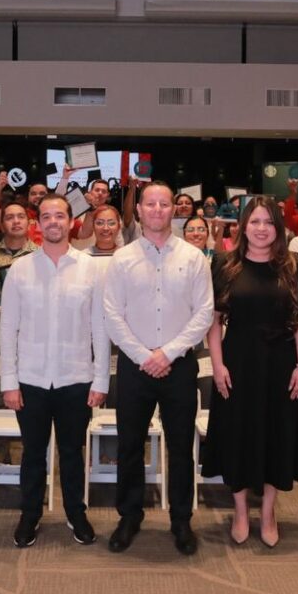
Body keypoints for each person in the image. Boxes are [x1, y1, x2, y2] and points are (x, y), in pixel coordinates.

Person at [103, 181, 214, 556]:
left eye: (164, 204)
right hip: (134, 366)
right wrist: (143, 356)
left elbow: (204, 313)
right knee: (130, 445)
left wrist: (167, 353)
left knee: (181, 447)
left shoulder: (193, 257)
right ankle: (129, 516)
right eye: (149, 204)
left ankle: (181, 520)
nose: (156, 210)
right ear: (139, 210)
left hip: (178, 366)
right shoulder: (122, 258)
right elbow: (112, 315)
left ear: (174, 210)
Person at [0, 194, 109, 548]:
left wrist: (101, 379)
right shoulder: (21, 269)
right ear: (38, 223)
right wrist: (9, 382)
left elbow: (100, 328)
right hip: (30, 379)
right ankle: (29, 515)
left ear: (70, 221)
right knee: (32, 453)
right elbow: (8, 328)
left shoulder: (91, 268)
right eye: (46, 216)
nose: (53, 222)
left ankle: (76, 514)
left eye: (59, 215)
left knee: (72, 453)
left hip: (76, 379)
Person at [204, 197, 298, 549]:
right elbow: (214, 321)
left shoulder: (295, 265)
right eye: (255, 222)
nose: (262, 229)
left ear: (278, 228)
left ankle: (268, 512)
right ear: (242, 227)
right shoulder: (224, 264)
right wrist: (217, 365)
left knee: (276, 434)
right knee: (237, 434)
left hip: (281, 362)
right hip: (237, 362)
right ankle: (240, 511)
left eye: (268, 222)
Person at [0, 201, 37, 289]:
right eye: (9, 218)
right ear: (2, 226)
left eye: (21, 217)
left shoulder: (40, 254)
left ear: (29, 224)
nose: (16, 221)